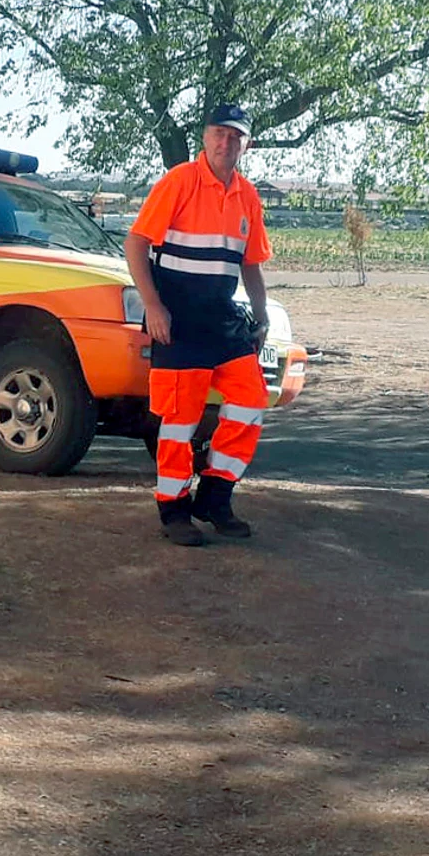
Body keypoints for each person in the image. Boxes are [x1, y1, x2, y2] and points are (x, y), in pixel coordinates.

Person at [124, 104, 273, 546]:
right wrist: (153, 306)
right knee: (178, 420)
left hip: (222, 320)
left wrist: (261, 316)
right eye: (218, 133)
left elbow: (251, 265)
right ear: (204, 137)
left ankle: (215, 496)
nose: (226, 142)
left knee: (251, 401)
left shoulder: (247, 195)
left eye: (235, 136)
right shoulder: (179, 181)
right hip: (177, 318)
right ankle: (174, 511)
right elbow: (135, 245)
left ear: (247, 144)